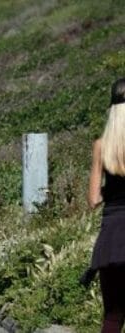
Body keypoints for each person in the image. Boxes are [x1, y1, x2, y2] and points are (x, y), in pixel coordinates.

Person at [87, 78, 125, 333]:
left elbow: (93, 200)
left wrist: (108, 191)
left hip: (112, 240)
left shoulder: (101, 146)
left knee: (113, 314)